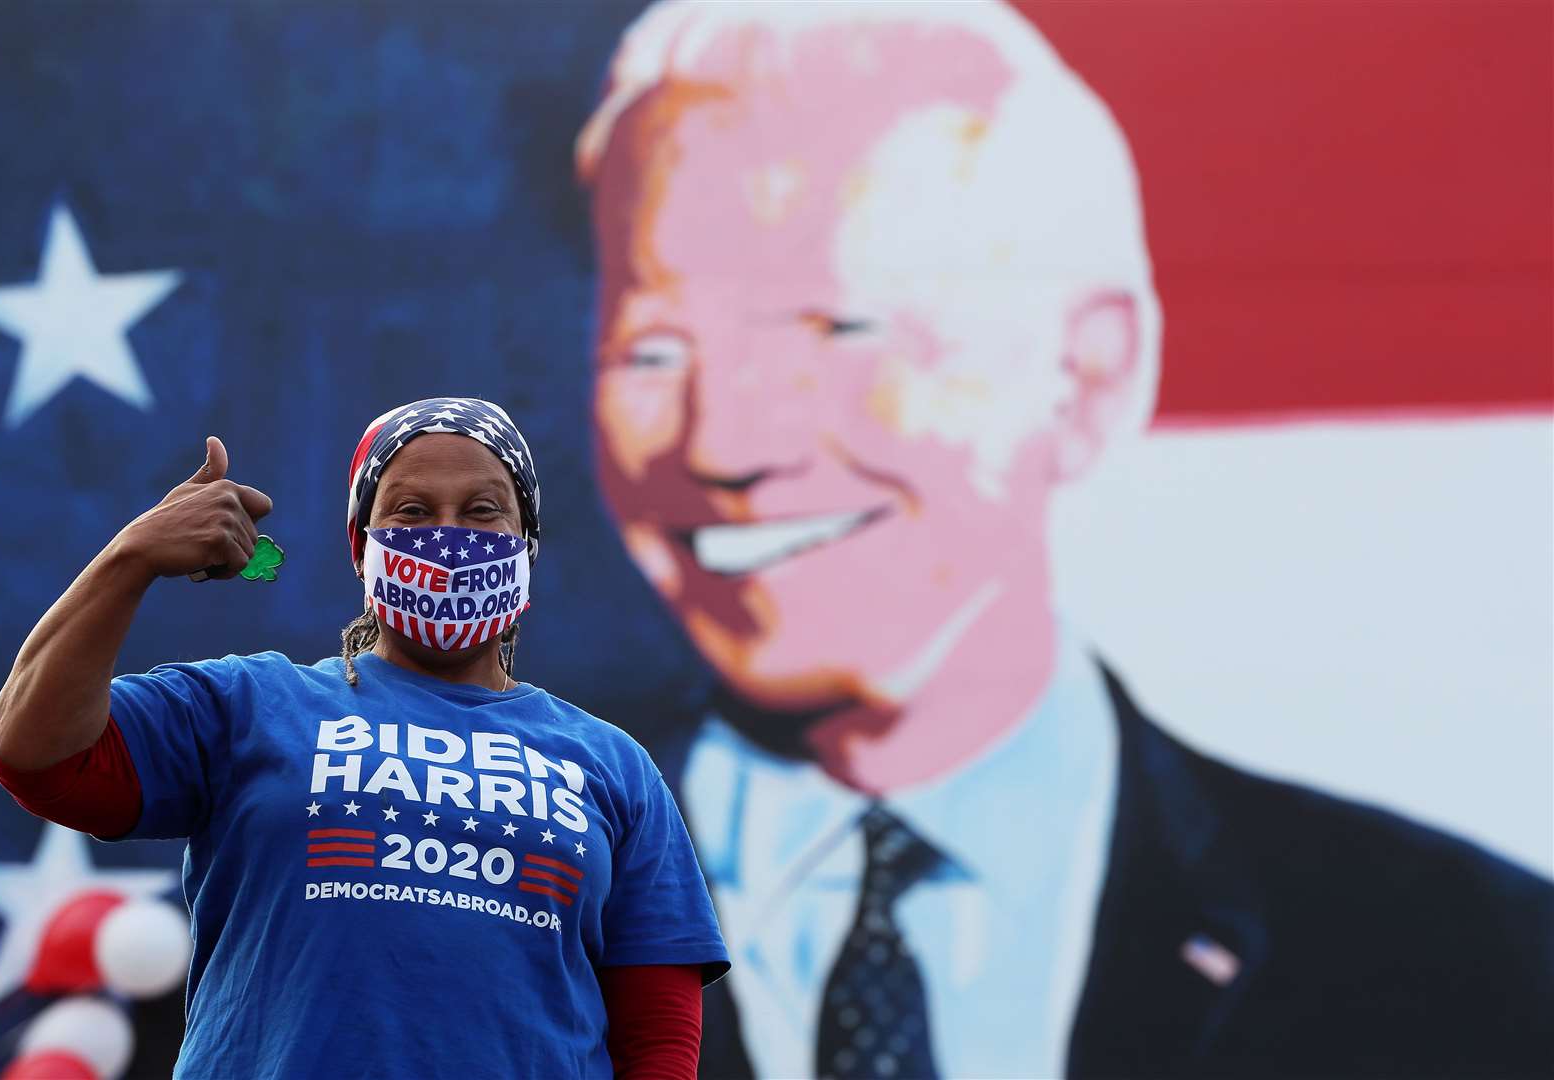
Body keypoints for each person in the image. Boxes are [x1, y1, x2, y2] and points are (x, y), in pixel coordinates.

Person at [576, 3, 1554, 1078]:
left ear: (1086, 377)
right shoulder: (449, 917)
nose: (723, 440)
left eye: (842, 327)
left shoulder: (1474, 966)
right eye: (653, 349)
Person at [0, 396, 729, 1079]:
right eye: (410, 511)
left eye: (483, 512)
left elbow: (658, 1036)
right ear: (359, 545)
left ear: (526, 543)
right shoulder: (249, 703)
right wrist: (129, 560)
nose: (449, 537)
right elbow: (35, 752)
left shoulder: (613, 765)